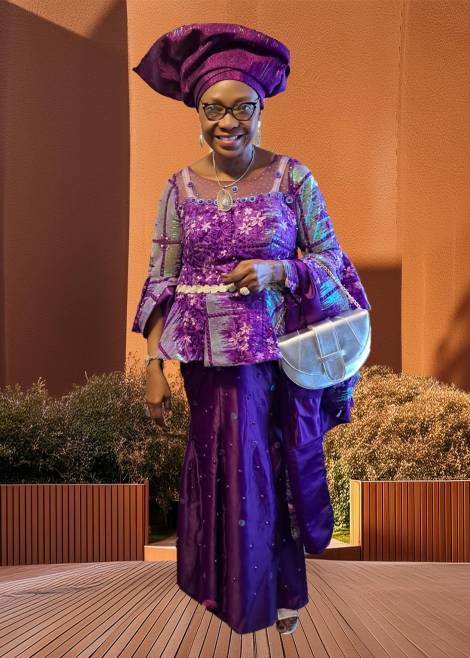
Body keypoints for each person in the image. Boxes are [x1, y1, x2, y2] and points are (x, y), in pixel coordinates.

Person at [131, 23, 371, 636]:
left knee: (266, 470)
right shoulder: (178, 188)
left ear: (261, 111)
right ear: (197, 113)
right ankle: (220, 590)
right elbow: (161, 276)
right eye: (213, 108)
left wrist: (277, 270)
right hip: (203, 362)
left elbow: (331, 260)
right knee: (217, 467)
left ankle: (274, 593)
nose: (227, 122)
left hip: (272, 359)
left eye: (242, 108)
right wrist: (154, 365)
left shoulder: (293, 178)